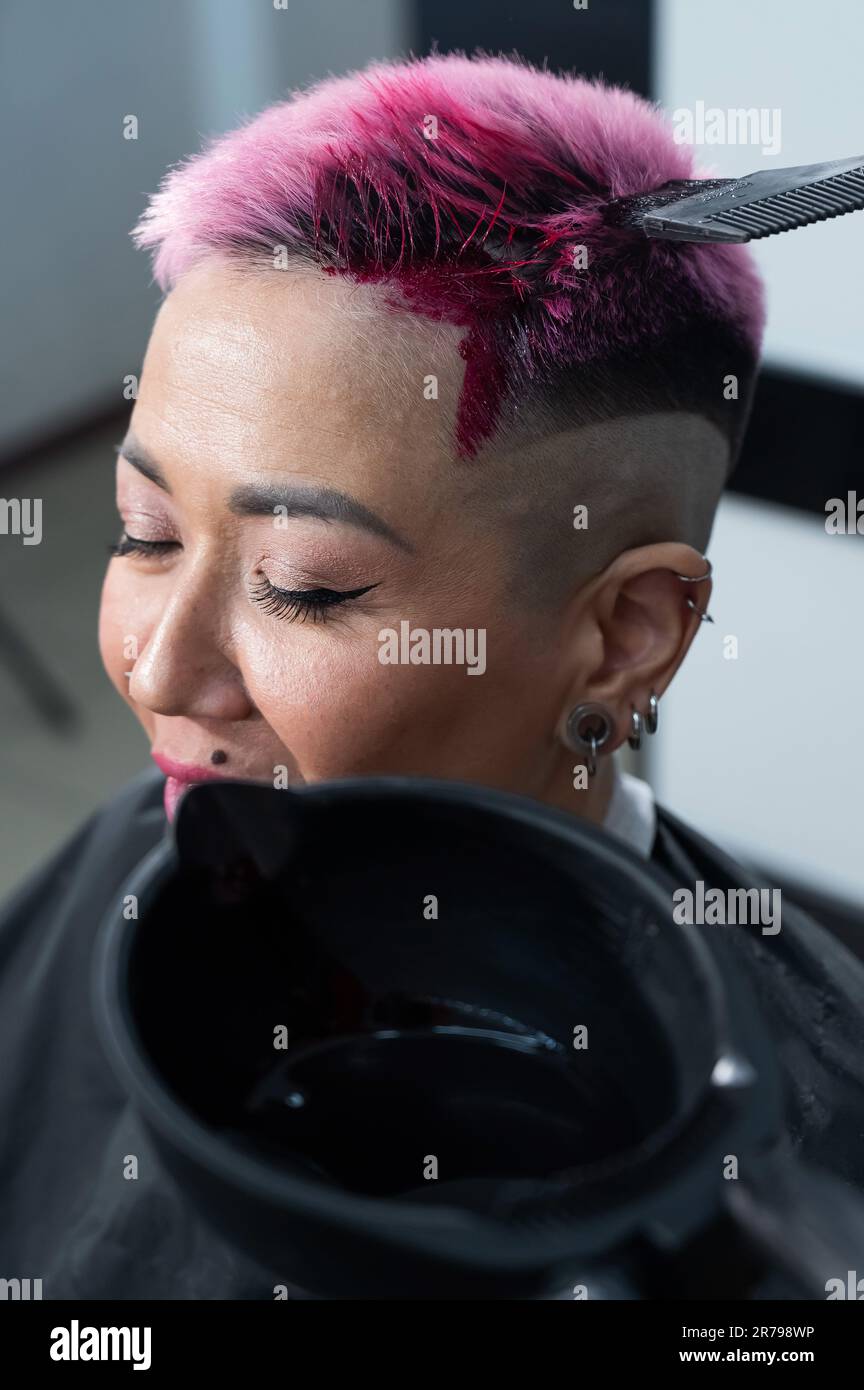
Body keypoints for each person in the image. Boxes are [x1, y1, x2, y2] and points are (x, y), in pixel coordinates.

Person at [1, 52, 862, 1299]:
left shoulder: (804, 1157)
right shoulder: (153, 849)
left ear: (628, 635)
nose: (158, 667)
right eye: (145, 531)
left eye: (304, 584)